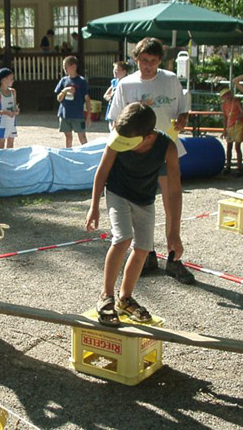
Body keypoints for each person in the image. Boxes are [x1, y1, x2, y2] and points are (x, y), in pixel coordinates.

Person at [85, 102, 183, 327]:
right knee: (123, 238)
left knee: (143, 248)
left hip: (145, 199)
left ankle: (125, 298)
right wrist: (94, 206)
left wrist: (174, 233)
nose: (123, 146)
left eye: (128, 143)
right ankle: (106, 296)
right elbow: (102, 171)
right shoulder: (119, 136)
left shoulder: (167, 147)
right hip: (117, 192)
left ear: (148, 137)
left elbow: (174, 191)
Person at [107, 37, 193, 284]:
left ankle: (173, 256)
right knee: (139, 204)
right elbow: (115, 121)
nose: (148, 66)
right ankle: (147, 254)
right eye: (144, 60)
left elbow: (182, 109)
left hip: (165, 149)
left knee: (170, 202)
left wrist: (183, 117)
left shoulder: (170, 80)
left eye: (153, 61)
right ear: (136, 59)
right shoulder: (126, 84)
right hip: (137, 154)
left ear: (160, 61)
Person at [54, 56, 92, 148]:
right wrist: (65, 90)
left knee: (82, 137)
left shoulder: (82, 81)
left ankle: (87, 152)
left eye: (66, 67)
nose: (64, 69)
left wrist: (88, 116)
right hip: (65, 114)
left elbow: (87, 99)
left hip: (78, 114)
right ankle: (69, 152)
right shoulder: (63, 80)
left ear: (74, 66)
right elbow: (59, 98)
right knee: (68, 137)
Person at [0, 67, 19, 149]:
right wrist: (6, 113)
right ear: (4, 79)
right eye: (11, 79)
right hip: (2, 122)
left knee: (11, 145)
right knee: (1, 145)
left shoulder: (13, 91)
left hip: (12, 121)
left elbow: (15, 106)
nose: (12, 81)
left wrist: (16, 110)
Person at [219, 88, 243, 175]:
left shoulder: (236, 102)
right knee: (229, 147)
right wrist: (224, 130)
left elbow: (242, 112)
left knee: (237, 147)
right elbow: (225, 117)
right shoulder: (224, 105)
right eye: (224, 95)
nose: (227, 96)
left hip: (238, 126)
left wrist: (240, 116)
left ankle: (239, 167)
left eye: (227, 94)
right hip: (230, 127)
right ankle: (228, 166)